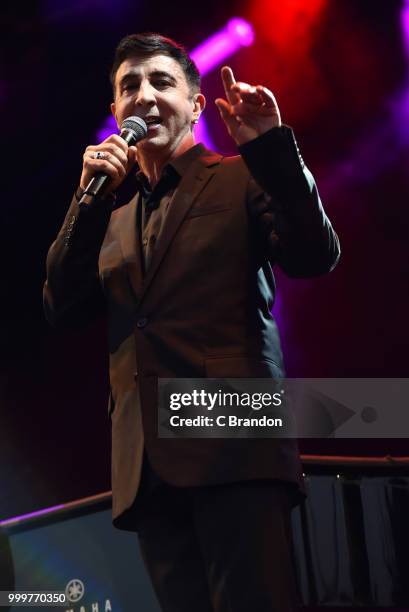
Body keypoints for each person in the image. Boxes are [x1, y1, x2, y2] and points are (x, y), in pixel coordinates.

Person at [44, 33, 340, 612]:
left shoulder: (238, 177)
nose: (144, 96)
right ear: (114, 112)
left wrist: (275, 150)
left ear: (197, 105)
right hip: (148, 468)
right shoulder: (111, 215)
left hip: (234, 448)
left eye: (161, 82)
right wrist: (85, 201)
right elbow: (62, 306)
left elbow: (315, 254)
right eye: (129, 86)